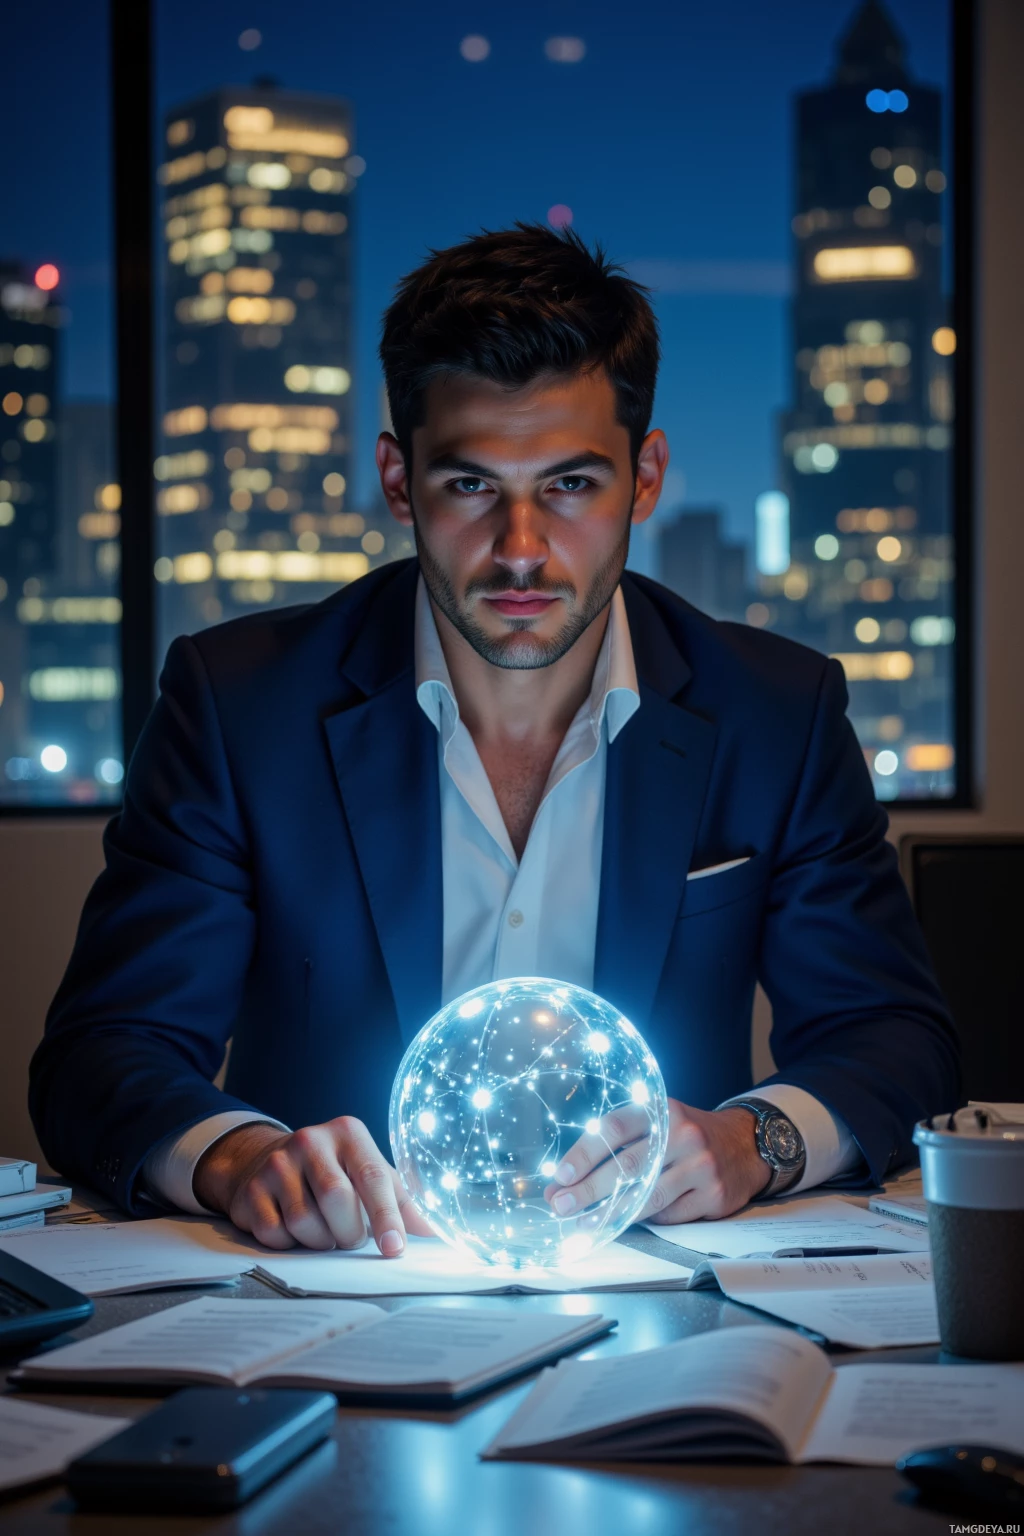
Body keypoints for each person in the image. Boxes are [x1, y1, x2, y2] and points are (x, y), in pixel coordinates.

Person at [30, 225, 959, 1259]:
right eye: (471, 485)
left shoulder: (774, 711)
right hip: (338, 1284)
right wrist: (239, 1158)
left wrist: (754, 1143)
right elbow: (103, 1052)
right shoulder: (241, 705)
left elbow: (895, 1039)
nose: (521, 550)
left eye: (571, 485)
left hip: (667, 1282)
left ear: (646, 477)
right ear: (399, 480)